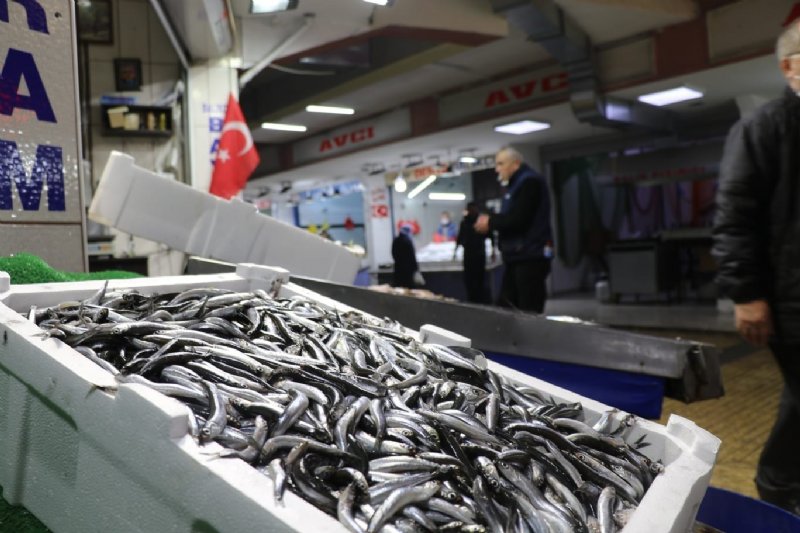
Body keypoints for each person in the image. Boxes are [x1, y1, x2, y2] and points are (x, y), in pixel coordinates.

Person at [711, 21, 800, 515]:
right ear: (790, 67)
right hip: (790, 298)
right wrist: (746, 294)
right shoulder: (763, 127)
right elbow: (735, 216)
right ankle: (777, 482)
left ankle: (782, 481)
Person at [475, 146, 553, 313]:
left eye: (501, 164)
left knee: (528, 311)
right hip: (516, 257)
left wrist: (491, 221)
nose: (497, 169)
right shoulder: (515, 185)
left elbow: (518, 219)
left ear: (516, 164)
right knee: (507, 308)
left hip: (529, 257)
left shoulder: (529, 182)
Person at [454, 202, 494, 304]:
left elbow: (491, 235)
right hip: (468, 254)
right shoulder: (464, 222)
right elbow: (460, 237)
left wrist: (493, 250)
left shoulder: (481, 222)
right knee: (469, 280)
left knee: (480, 279)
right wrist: (455, 250)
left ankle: (481, 300)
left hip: (479, 254)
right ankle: (471, 299)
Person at [392, 224, 423, 289]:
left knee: (399, 289)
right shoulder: (408, 241)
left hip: (398, 270)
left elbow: (393, 254)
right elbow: (412, 257)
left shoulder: (395, 241)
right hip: (408, 272)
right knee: (409, 290)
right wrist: (416, 269)